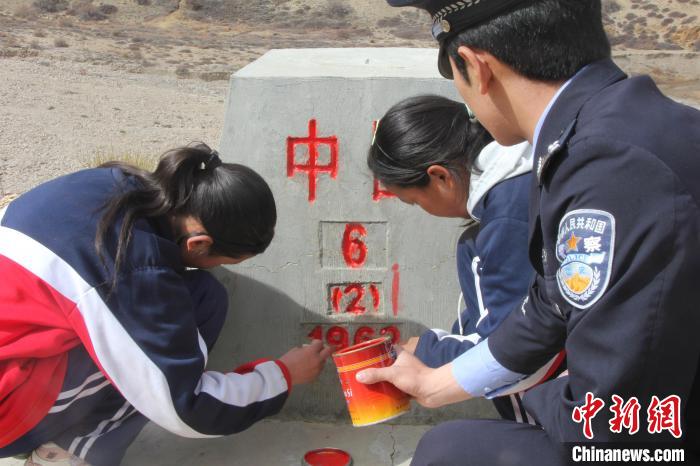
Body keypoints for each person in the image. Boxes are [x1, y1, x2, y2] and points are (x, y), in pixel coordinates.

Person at [358, 1, 700, 464]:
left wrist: (536, 403)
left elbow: (613, 428)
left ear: (477, 68)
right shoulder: (616, 127)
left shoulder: (604, 166)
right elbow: (552, 301)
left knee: (448, 452)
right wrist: (437, 384)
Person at [0, 143, 332, 466]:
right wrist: (283, 375)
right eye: (222, 261)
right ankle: (68, 453)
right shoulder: (129, 268)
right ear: (198, 244)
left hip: (20, 346)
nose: (217, 268)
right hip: (8, 407)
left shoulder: (115, 187)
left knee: (204, 298)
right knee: (146, 363)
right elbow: (186, 408)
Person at [369, 94, 564, 424]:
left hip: (564, 401)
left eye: (414, 201)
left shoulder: (507, 221)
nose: (422, 210)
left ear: (440, 177)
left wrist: (429, 352)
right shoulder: (521, 173)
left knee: (445, 446)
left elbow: (518, 353)